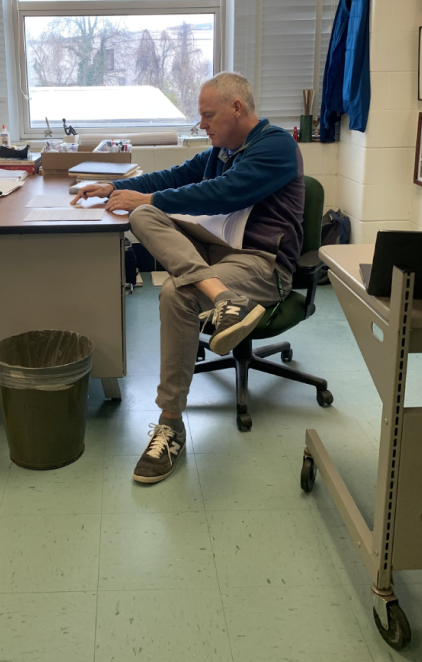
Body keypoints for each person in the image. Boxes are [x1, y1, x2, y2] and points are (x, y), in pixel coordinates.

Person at [74, 72, 304, 484]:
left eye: (207, 115)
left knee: (174, 294)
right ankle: (222, 298)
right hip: (215, 250)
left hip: (261, 262)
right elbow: (171, 178)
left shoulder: (277, 146)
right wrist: (115, 186)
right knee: (143, 214)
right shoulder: (222, 148)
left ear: (237, 108)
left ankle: (170, 422)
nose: (202, 125)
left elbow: (226, 193)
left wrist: (147, 197)